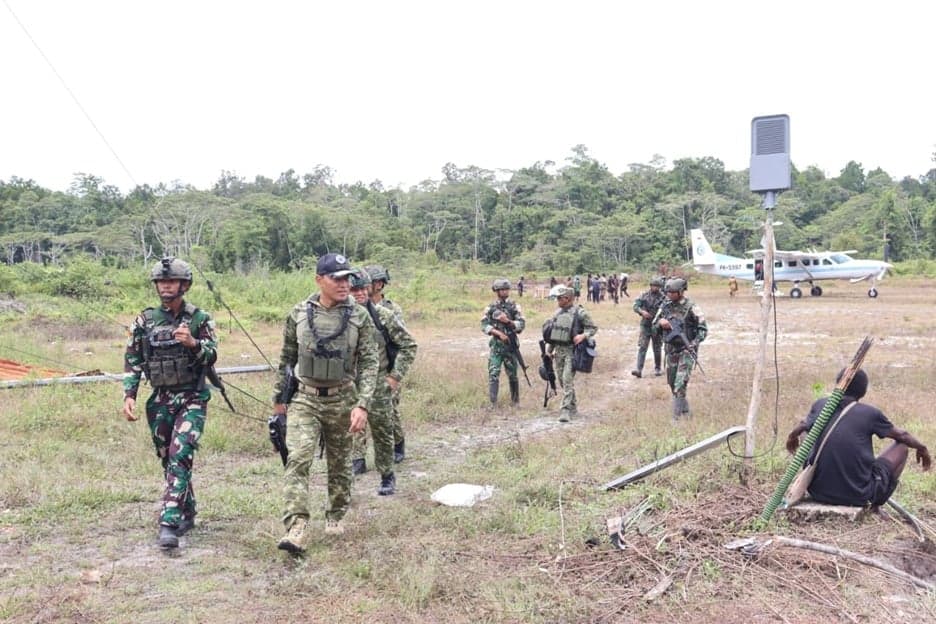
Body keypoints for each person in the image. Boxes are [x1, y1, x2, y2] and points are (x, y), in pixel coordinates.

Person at [273, 253, 379, 553]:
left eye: (347, 278)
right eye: (337, 278)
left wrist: (363, 404)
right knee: (298, 458)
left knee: (340, 463)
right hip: (305, 398)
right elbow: (286, 359)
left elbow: (370, 363)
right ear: (319, 279)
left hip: (343, 397)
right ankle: (296, 527)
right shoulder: (298, 314)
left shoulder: (360, 316)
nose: (345, 284)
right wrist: (279, 402)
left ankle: (336, 515)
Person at [122, 257, 218, 550]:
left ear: (184, 285)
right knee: (168, 458)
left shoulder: (200, 319)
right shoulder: (145, 320)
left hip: (192, 398)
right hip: (160, 400)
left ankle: (168, 522)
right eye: (161, 282)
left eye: (171, 281)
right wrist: (130, 395)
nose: (165, 286)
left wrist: (193, 344)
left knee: (181, 454)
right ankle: (187, 510)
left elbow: (212, 356)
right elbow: (133, 359)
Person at [785, 369, 931, 507]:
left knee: (808, 433)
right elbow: (903, 436)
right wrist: (922, 448)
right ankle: (875, 504)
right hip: (857, 495)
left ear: (838, 385)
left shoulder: (821, 404)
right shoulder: (869, 413)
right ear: (864, 391)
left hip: (818, 492)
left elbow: (800, 427)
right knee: (902, 447)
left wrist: (792, 437)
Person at [349, 269, 418, 495]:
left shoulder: (382, 315)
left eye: (361, 288)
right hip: (350, 382)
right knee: (349, 427)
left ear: (370, 288)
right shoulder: (340, 318)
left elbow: (409, 345)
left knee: (382, 430)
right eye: (353, 289)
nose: (358, 293)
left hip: (379, 382)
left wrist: (394, 376)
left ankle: (387, 475)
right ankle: (356, 461)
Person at [365, 265, 407, 463]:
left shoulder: (391, 309)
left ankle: (398, 444)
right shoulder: (357, 308)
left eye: (367, 283)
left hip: (388, 367)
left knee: (390, 410)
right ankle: (359, 458)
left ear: (379, 284)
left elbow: (402, 342)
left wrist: (395, 374)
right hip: (364, 369)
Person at [653, 278, 706, 420]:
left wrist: (694, 343)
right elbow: (654, 326)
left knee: (680, 383)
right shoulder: (665, 307)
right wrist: (660, 323)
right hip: (671, 350)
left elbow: (703, 329)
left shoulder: (692, 307)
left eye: (673, 292)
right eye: (668, 292)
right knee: (672, 384)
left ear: (681, 292)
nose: (669, 295)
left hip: (687, 350)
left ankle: (676, 417)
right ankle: (686, 411)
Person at [544, 286, 597, 423]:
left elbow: (593, 328)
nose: (558, 301)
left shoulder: (580, 313)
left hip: (572, 351)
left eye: (559, 298)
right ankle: (573, 407)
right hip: (559, 352)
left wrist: (583, 336)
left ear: (567, 299)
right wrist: (549, 351)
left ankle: (565, 410)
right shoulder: (557, 314)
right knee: (562, 380)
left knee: (567, 379)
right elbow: (555, 335)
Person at [481, 278, 526, 407]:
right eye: (502, 290)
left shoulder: (514, 307)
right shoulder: (490, 308)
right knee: (493, 373)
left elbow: (521, 324)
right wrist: (498, 333)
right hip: (496, 347)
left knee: (513, 375)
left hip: (510, 347)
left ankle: (515, 401)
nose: (505, 292)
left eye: (507, 289)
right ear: (497, 291)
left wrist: (508, 322)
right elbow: (484, 325)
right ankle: (493, 402)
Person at [631, 277, 665, 378]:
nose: (655, 288)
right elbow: (635, 306)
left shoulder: (663, 297)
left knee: (657, 348)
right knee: (642, 347)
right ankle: (639, 369)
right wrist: (642, 312)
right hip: (645, 325)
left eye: (657, 286)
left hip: (657, 326)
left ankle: (658, 368)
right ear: (650, 286)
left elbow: (668, 309)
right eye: (654, 286)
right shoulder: (644, 295)